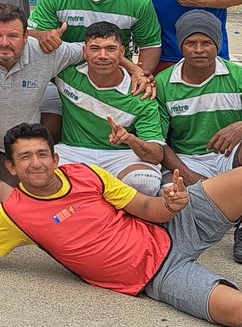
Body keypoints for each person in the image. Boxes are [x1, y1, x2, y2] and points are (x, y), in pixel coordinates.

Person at [0, 123, 242, 327]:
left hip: (167, 227)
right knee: (241, 314)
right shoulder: (15, 213)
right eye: (25, 157)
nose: (35, 163)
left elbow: (145, 207)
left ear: (55, 159)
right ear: (10, 166)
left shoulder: (86, 174)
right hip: (156, 275)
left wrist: (170, 204)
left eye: (42, 154)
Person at [0, 4, 154, 216]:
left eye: (12, 35)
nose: (4, 42)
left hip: (11, 144)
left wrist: (134, 69)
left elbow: (93, 49)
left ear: (26, 37)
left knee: (9, 204)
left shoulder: (45, 52)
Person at [158, 10, 242, 264]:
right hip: (188, 160)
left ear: (217, 44)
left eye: (206, 42)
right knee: (164, 202)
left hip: (229, 159)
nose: (199, 49)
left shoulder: (239, 76)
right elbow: (157, 142)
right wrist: (187, 173)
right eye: (191, 43)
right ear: (180, 45)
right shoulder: (164, 82)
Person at [29, 0, 162, 140]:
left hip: (114, 79)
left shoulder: (137, 0)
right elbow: (33, 33)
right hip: (64, 79)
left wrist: (140, 75)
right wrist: (43, 36)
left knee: (125, 138)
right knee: (47, 132)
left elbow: (150, 44)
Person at [51, 21, 166, 196]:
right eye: (95, 48)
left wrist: (130, 139)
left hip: (121, 156)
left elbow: (156, 155)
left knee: (146, 182)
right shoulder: (66, 75)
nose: (102, 55)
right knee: (40, 171)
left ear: (122, 52)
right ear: (84, 52)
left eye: (111, 49)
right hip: (73, 150)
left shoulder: (141, 93)